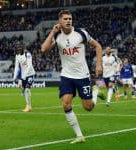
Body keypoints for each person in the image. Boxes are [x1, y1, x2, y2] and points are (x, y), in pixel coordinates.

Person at [41, 10, 102, 144]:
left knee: (88, 108)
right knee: (66, 103)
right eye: (65, 19)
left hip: (82, 75)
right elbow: (44, 49)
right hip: (67, 75)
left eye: (70, 18)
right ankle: (79, 136)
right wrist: (52, 32)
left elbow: (97, 46)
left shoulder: (81, 33)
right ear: (60, 21)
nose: (68, 21)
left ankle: (95, 93)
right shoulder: (57, 36)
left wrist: (98, 64)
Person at [13, 43, 36, 112]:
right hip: (23, 75)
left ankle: (28, 107)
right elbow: (17, 66)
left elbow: (29, 65)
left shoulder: (28, 54)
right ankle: (29, 106)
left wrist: (25, 75)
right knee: (23, 89)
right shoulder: (17, 55)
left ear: (23, 48)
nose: (19, 50)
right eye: (18, 48)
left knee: (27, 89)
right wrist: (14, 77)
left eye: (20, 48)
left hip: (30, 74)